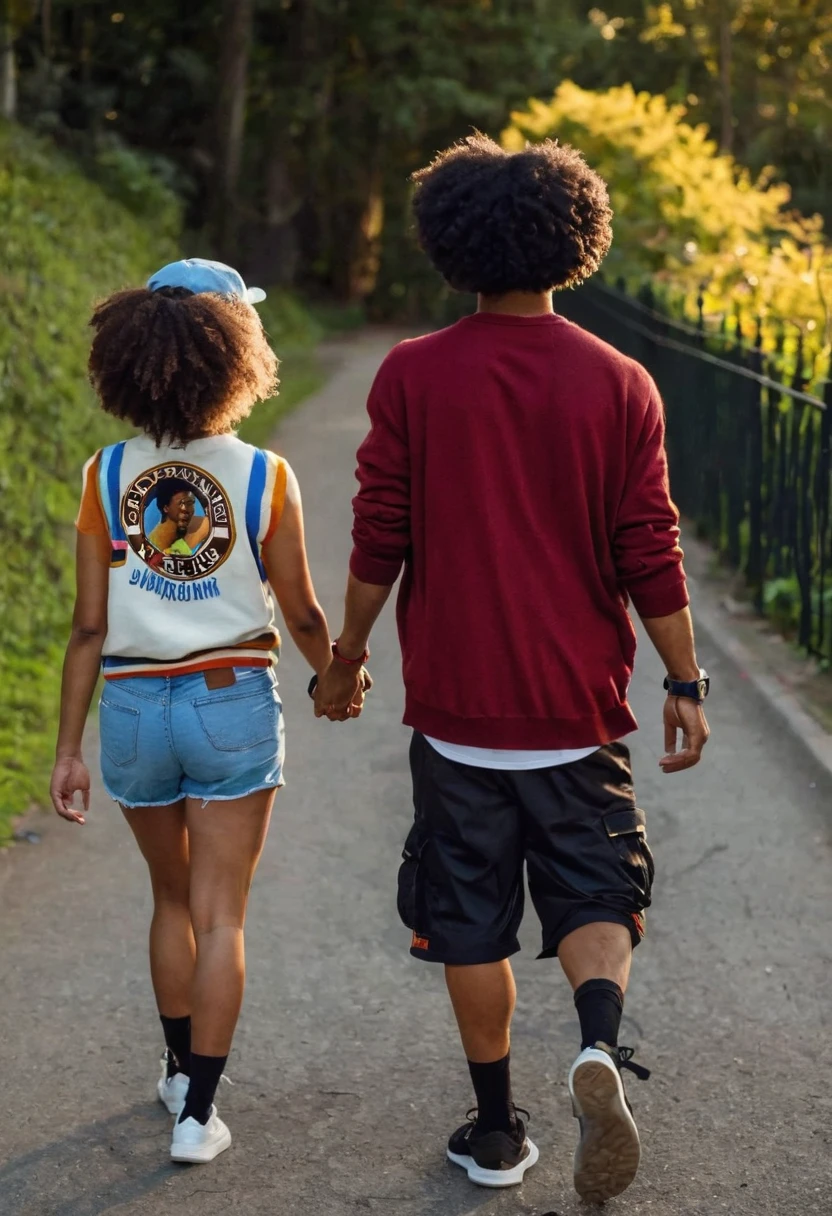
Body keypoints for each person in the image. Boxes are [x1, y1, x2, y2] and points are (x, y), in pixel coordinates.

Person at [315, 136, 710, 1203]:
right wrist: (682, 682)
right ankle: (594, 1046)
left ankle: (495, 1130)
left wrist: (346, 659)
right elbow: (648, 546)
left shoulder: (411, 372)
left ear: (452, 243)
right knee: (594, 887)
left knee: (468, 915)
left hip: (455, 716)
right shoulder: (619, 381)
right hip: (575, 711)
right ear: (572, 240)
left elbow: (377, 538)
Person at [50, 258, 366, 1165]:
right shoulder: (264, 474)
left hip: (134, 706)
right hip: (229, 701)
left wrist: (69, 748)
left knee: (171, 898)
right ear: (235, 351)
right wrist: (337, 675)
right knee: (224, 914)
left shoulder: (105, 475)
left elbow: (86, 627)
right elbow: (303, 610)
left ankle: (178, 1072)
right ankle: (199, 1117)